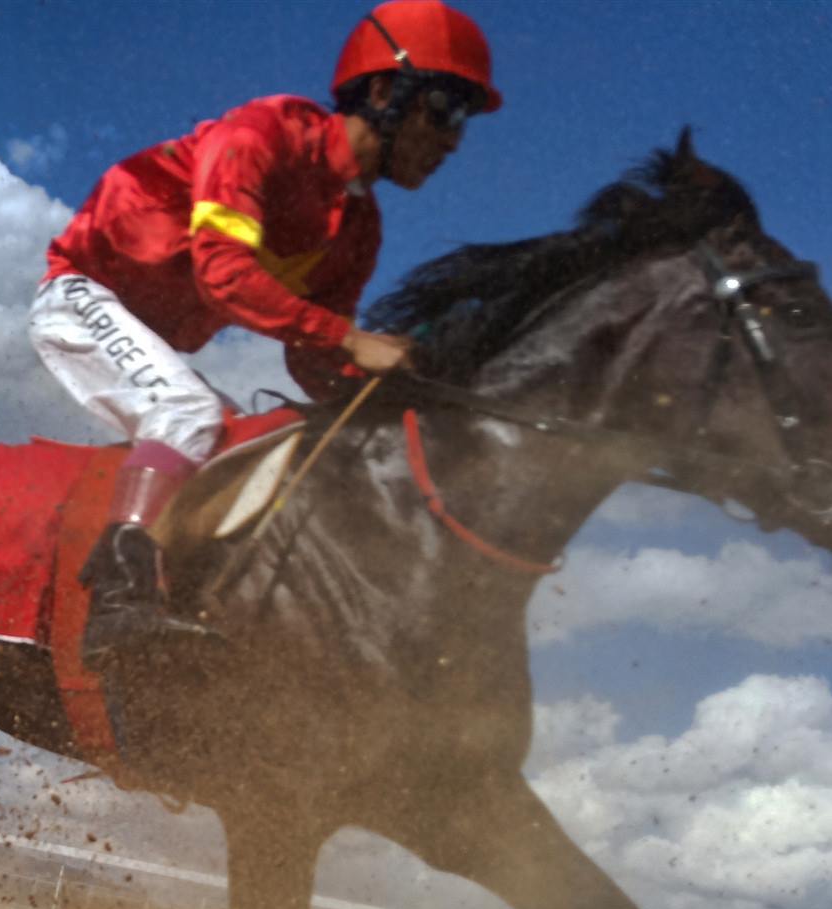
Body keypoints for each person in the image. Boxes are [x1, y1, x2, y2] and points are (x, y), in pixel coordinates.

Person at [29, 0, 501, 667]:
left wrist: (389, 389)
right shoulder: (263, 133)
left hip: (150, 334)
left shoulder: (359, 230)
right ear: (383, 91)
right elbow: (224, 275)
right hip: (81, 293)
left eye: (465, 122)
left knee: (239, 441)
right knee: (189, 413)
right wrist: (352, 341)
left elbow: (310, 358)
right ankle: (116, 597)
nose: (453, 141)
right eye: (446, 111)